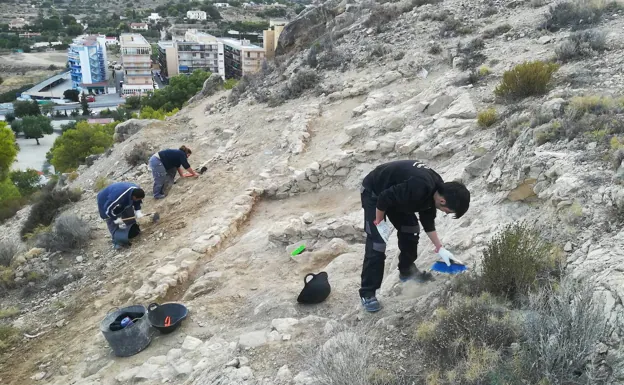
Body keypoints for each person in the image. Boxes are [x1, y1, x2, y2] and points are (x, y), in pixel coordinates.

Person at [358, 160, 471, 312]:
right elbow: (384, 198)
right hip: (375, 192)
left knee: (411, 229)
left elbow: (427, 221)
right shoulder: (419, 187)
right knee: (378, 244)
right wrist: (379, 222)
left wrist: (440, 249)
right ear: (442, 201)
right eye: (448, 211)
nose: (446, 213)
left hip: (397, 195)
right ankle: (368, 293)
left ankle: (407, 271)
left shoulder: (437, 190)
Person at [97, 182, 146, 250]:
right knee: (111, 221)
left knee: (128, 211)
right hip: (105, 201)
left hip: (122, 199)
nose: (138, 200)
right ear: (133, 197)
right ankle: (117, 242)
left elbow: (138, 200)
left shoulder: (137, 191)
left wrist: (138, 211)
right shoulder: (117, 197)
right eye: (136, 199)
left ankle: (133, 231)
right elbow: (107, 209)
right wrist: (115, 218)